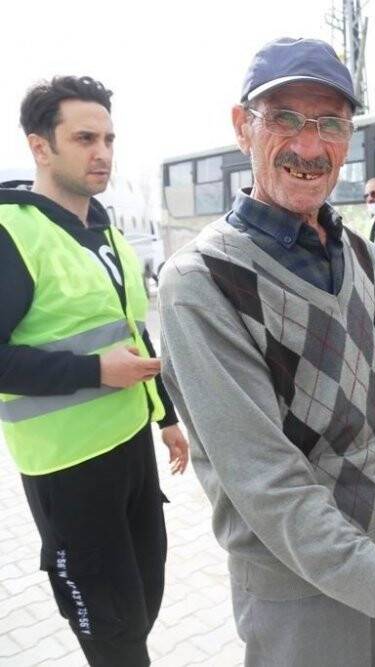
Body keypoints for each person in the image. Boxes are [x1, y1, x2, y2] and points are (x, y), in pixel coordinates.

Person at [156, 37, 375, 667]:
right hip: (298, 585)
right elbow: (267, 481)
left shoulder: (359, 253)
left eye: (331, 123)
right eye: (284, 118)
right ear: (241, 127)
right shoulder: (201, 283)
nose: (310, 147)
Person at [0, 75, 189, 666]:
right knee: (112, 630)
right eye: (84, 138)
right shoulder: (12, 233)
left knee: (144, 602)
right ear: (40, 146)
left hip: (131, 447)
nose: (102, 152)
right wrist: (92, 371)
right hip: (67, 467)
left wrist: (166, 418)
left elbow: (131, 332)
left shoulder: (103, 230)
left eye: (108, 138)